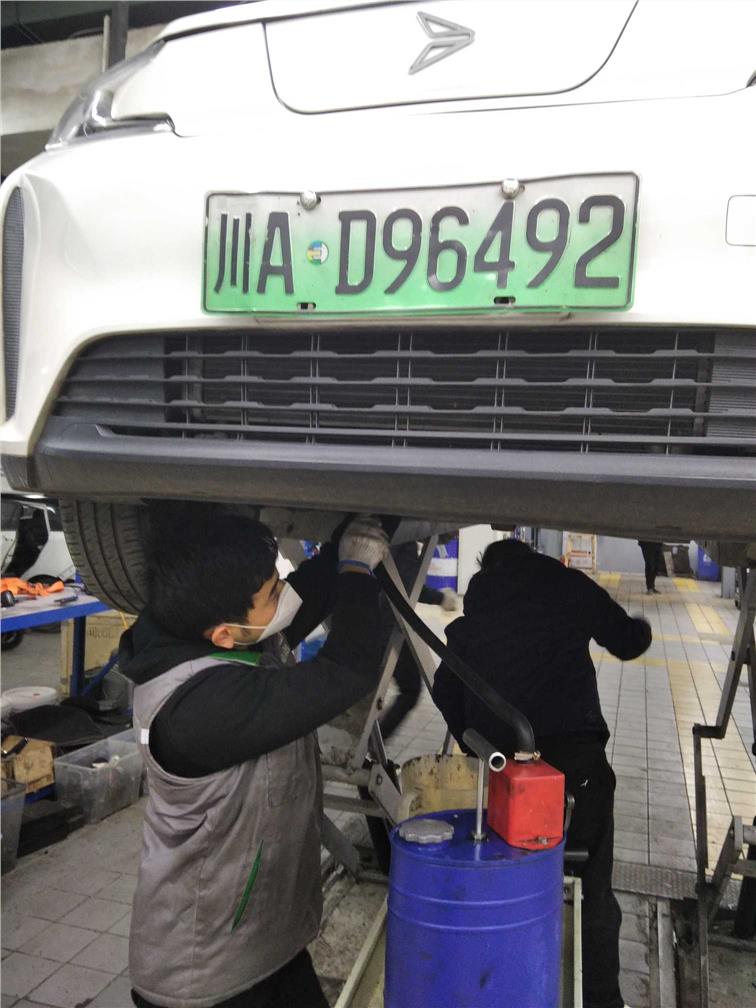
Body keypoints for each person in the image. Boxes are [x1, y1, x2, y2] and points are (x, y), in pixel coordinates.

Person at [119, 512, 389, 1008]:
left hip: (261, 945)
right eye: (272, 593)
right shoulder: (202, 709)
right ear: (224, 634)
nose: (283, 596)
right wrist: (356, 572)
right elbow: (347, 670)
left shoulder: (200, 631)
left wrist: (352, 538)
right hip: (204, 977)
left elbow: (300, 600)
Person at [432, 539, 651, 1008]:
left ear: (488, 571)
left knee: (506, 879)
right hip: (577, 767)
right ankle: (601, 999)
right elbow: (628, 641)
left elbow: (445, 687)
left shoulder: (475, 616)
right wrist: (643, 629)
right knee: (591, 888)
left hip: (505, 775)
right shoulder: (569, 585)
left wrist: (479, 747)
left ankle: (504, 986)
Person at [378, 539, 458, 741]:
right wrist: (441, 598)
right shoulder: (405, 544)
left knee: (368, 690)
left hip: (371, 620)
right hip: (388, 625)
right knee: (410, 689)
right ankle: (373, 742)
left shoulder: (392, 538)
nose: (450, 537)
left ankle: (371, 739)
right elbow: (406, 589)